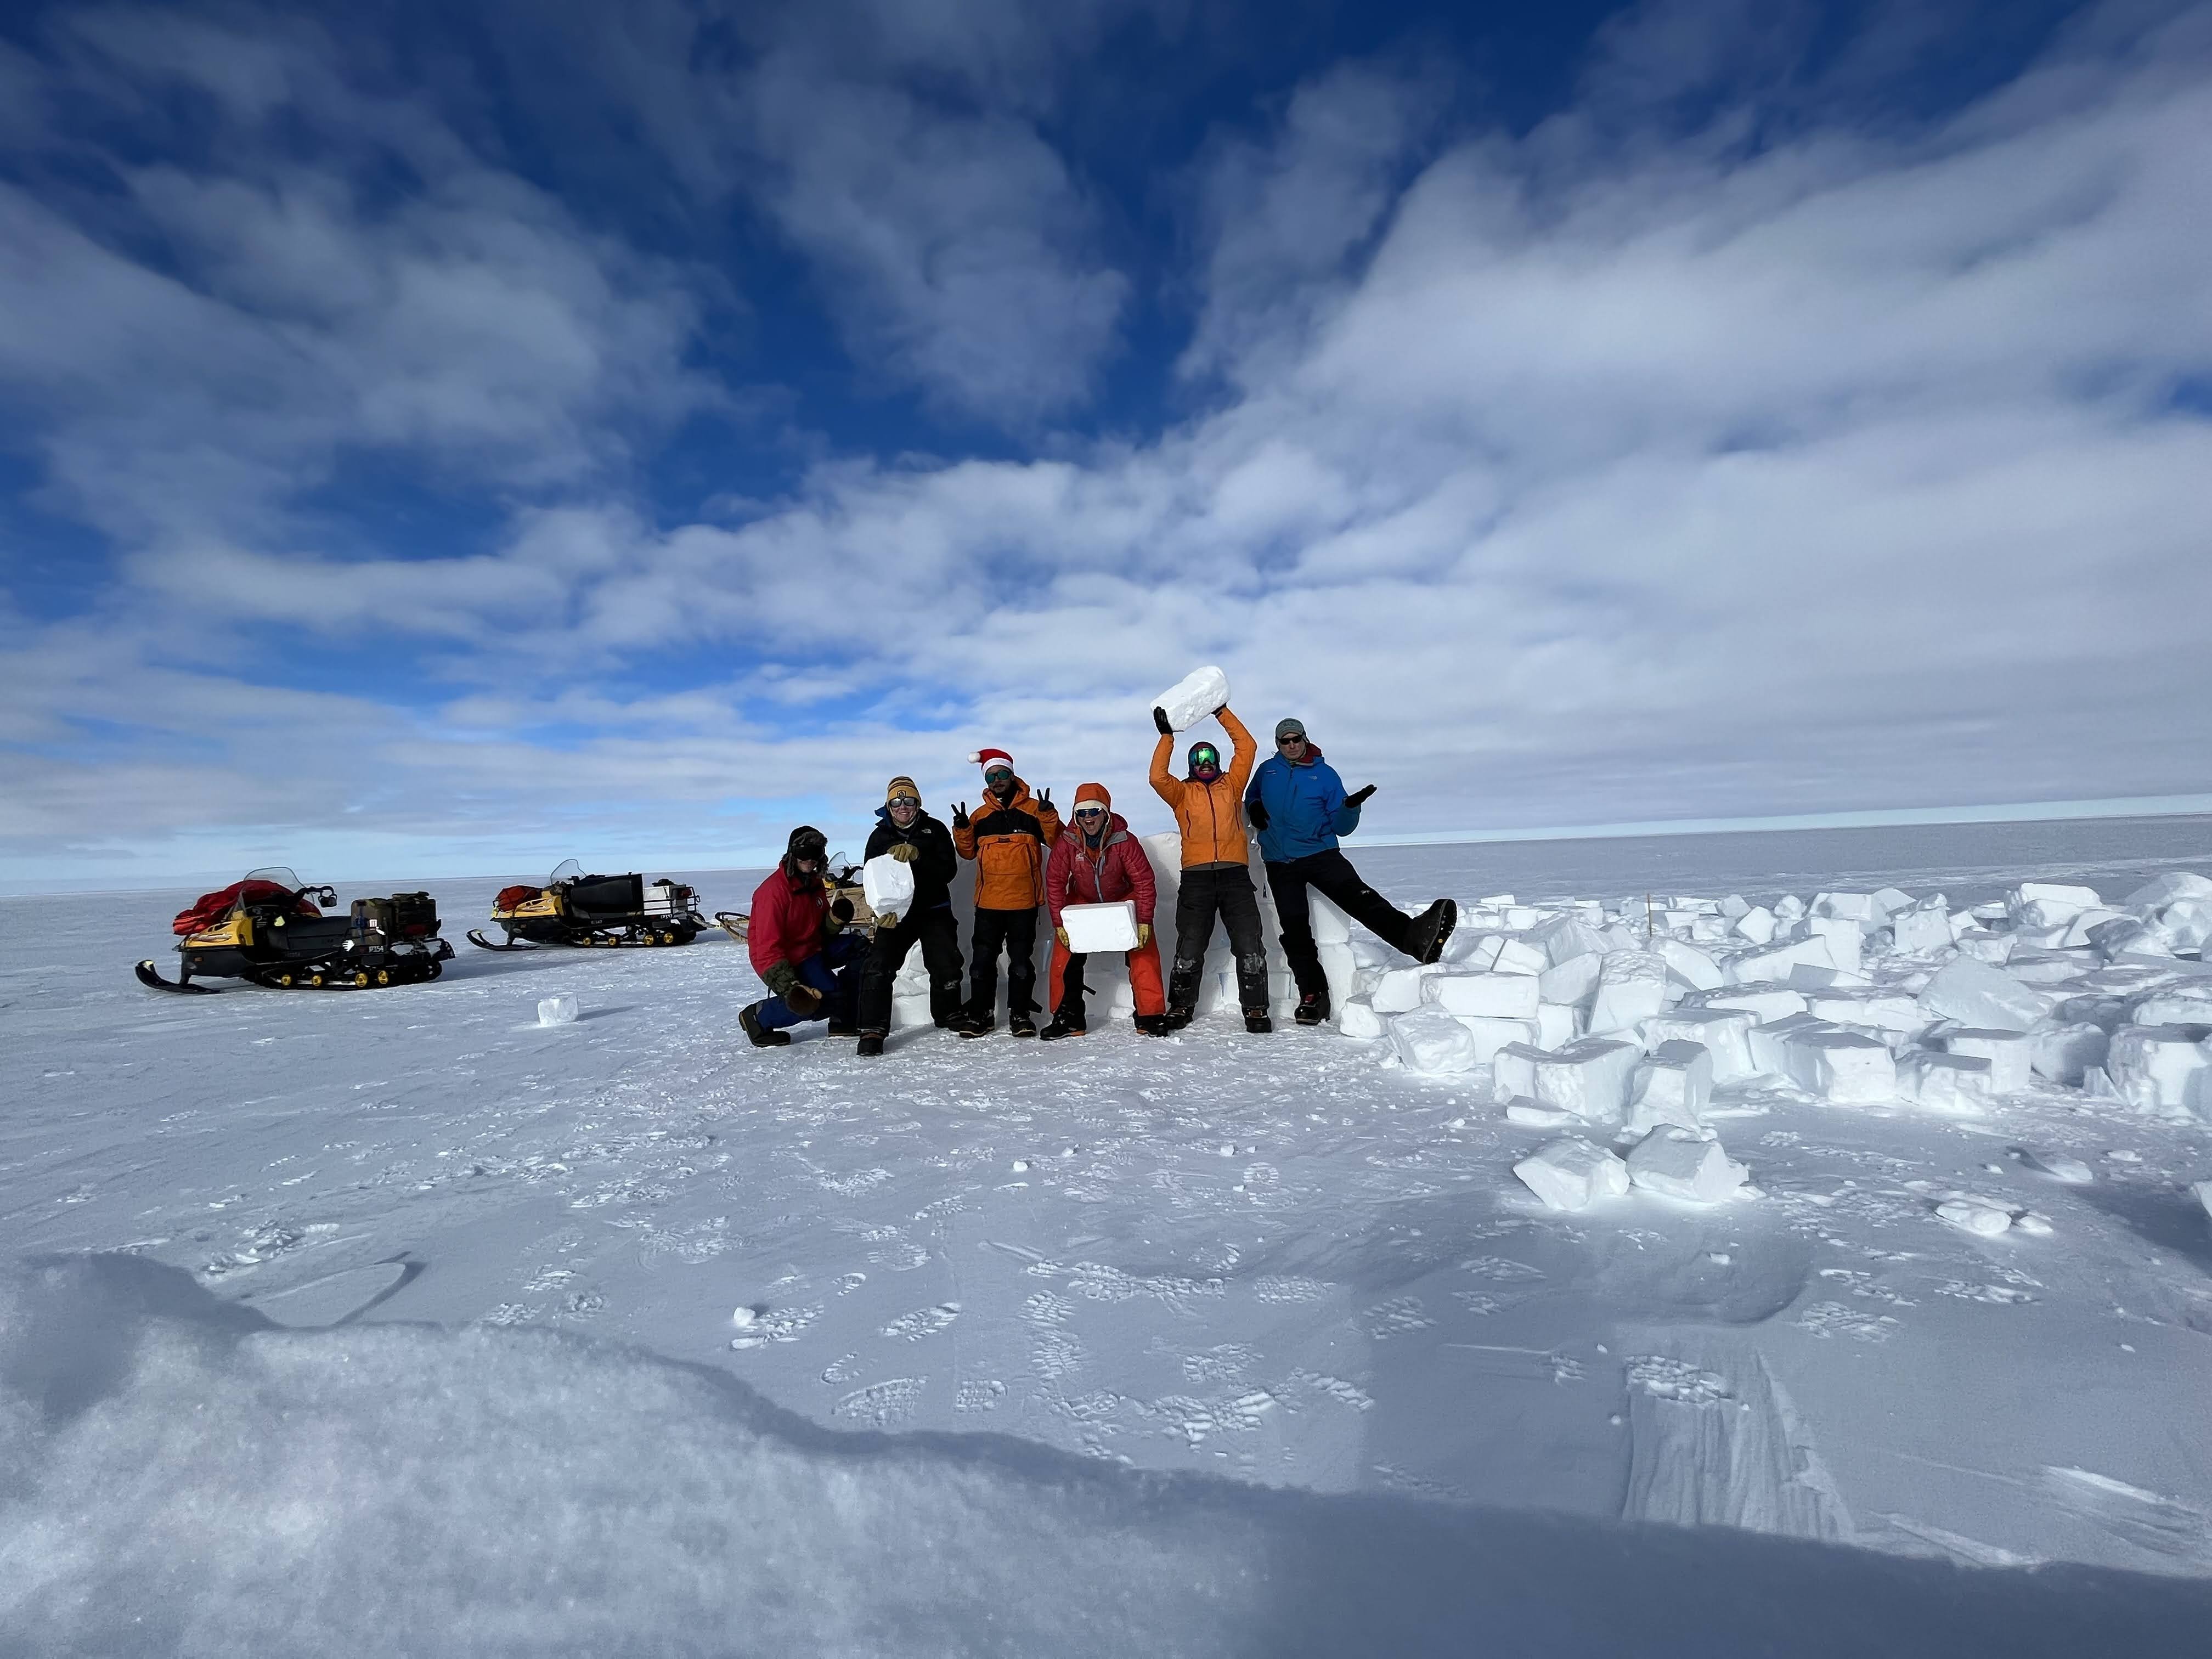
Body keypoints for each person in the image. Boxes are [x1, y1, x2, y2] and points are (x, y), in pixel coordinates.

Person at [1244, 717, 1458, 1025]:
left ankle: (1414, 939)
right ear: (1278, 744)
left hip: (1321, 854)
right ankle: (1313, 995)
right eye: (1284, 741)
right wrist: (1254, 807)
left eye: (1295, 739)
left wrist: (1350, 809)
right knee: (1294, 930)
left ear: (1305, 739)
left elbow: (1341, 829)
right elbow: (1253, 795)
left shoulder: (1325, 775)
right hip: (1279, 862)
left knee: (1361, 900)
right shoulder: (1268, 770)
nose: (1291, 745)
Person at [1149, 701, 1271, 1032]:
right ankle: (1180, 1007)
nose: (1204, 763)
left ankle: (1256, 1009)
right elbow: (1156, 776)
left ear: (1217, 762)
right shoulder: (1181, 794)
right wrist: (1167, 736)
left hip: (1235, 876)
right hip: (1196, 879)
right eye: (1197, 758)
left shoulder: (1232, 786)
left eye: (1209, 757)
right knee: (1189, 945)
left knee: (1249, 944)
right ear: (1190, 765)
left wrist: (1220, 712)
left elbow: (1247, 746)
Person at [1040, 782, 1169, 1039]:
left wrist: (1143, 921)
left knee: (1144, 948)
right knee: (1064, 955)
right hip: (1084, 901)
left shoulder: (1124, 840)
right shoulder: (1068, 843)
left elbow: (1143, 881)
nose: (1088, 818)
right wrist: (1059, 923)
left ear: (1105, 813)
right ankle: (1069, 1016)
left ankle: (1150, 1015)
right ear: (1076, 816)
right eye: (1082, 813)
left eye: (1094, 811)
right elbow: (1055, 882)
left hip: (1122, 898)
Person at [949, 748, 1062, 1037]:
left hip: (1024, 903)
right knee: (981, 964)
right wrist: (962, 829)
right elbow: (968, 853)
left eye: (1002, 774)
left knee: (1022, 964)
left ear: (1012, 775)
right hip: (988, 905)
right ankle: (981, 1015)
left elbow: (1057, 840)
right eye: (991, 776)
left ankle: (1020, 1014)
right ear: (986, 780)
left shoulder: (1034, 809)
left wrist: (1049, 817)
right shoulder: (979, 816)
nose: (997, 780)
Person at [853, 776, 964, 1056]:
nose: (903, 807)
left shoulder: (935, 829)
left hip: (933, 909)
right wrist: (880, 915)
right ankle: (873, 1028)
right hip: (896, 916)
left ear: (918, 803)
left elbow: (948, 871)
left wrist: (919, 857)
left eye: (909, 801)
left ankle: (948, 1013)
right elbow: (872, 881)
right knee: (878, 964)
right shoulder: (879, 837)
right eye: (897, 802)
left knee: (946, 962)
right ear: (889, 806)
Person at [741, 825, 862, 1046]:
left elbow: (818, 930)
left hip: (813, 950)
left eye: (816, 854)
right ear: (792, 854)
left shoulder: (813, 884)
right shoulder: (773, 893)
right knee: (812, 1001)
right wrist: (791, 988)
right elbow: (766, 949)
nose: (810, 860)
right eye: (804, 853)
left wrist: (834, 919)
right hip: (785, 961)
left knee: (862, 948)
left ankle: (842, 1012)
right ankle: (758, 1017)